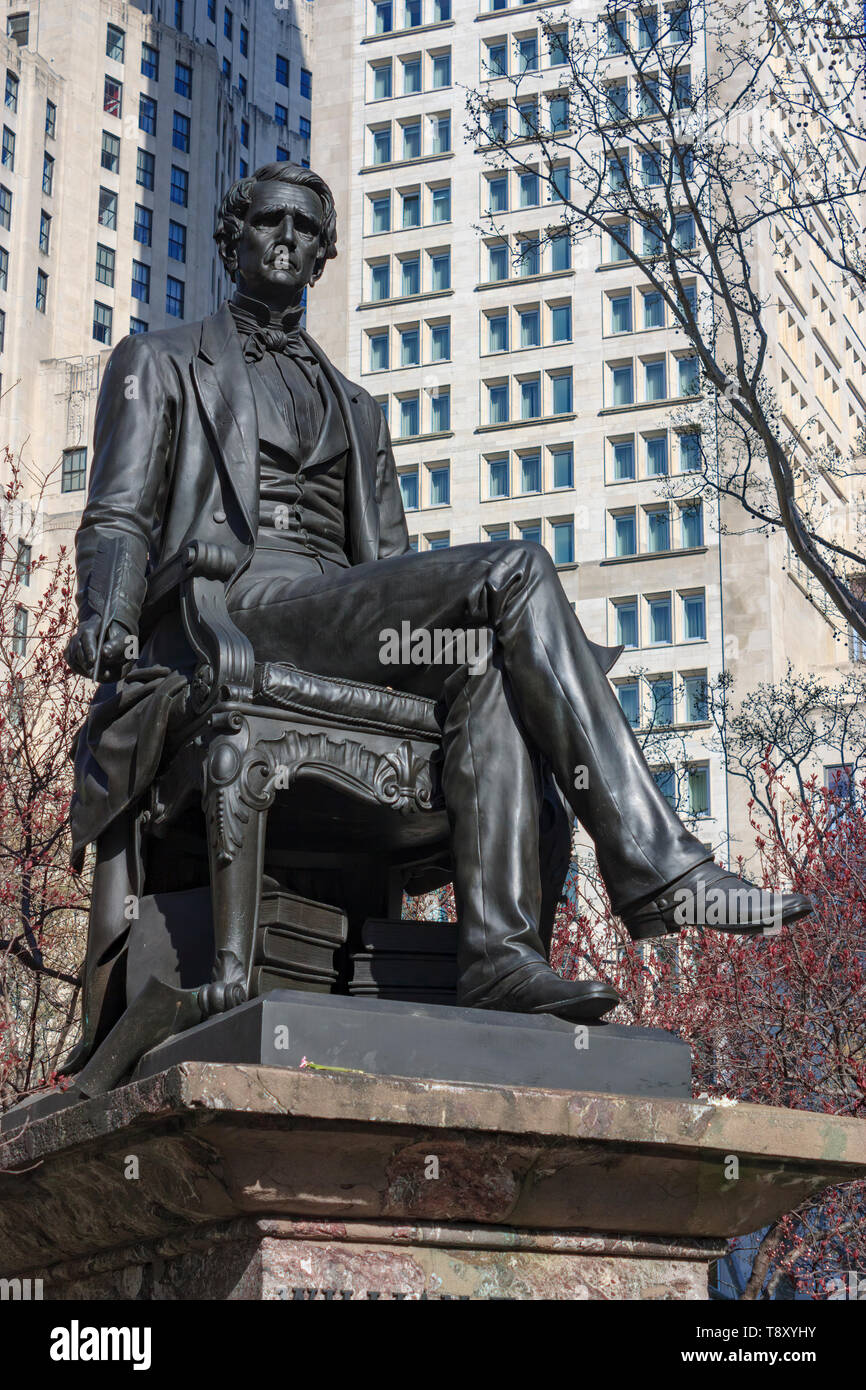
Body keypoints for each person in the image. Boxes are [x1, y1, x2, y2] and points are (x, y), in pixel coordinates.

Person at [65, 163, 811, 1057]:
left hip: (338, 618)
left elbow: (385, 564)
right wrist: (105, 616)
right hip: (237, 607)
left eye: (308, 228)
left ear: (325, 254)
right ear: (233, 236)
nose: (289, 239)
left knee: (488, 666)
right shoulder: (160, 360)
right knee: (519, 566)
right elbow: (118, 512)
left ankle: (498, 952)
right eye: (271, 221)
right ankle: (661, 869)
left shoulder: (360, 408)